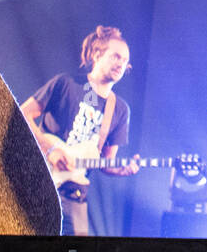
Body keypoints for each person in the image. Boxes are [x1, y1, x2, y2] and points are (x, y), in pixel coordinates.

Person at [20, 26, 139, 236]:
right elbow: (23, 114)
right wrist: (50, 149)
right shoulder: (66, 83)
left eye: (125, 60)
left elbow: (105, 162)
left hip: (73, 193)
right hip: (39, 177)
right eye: (116, 56)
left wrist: (120, 170)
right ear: (97, 54)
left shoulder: (120, 110)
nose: (121, 64)